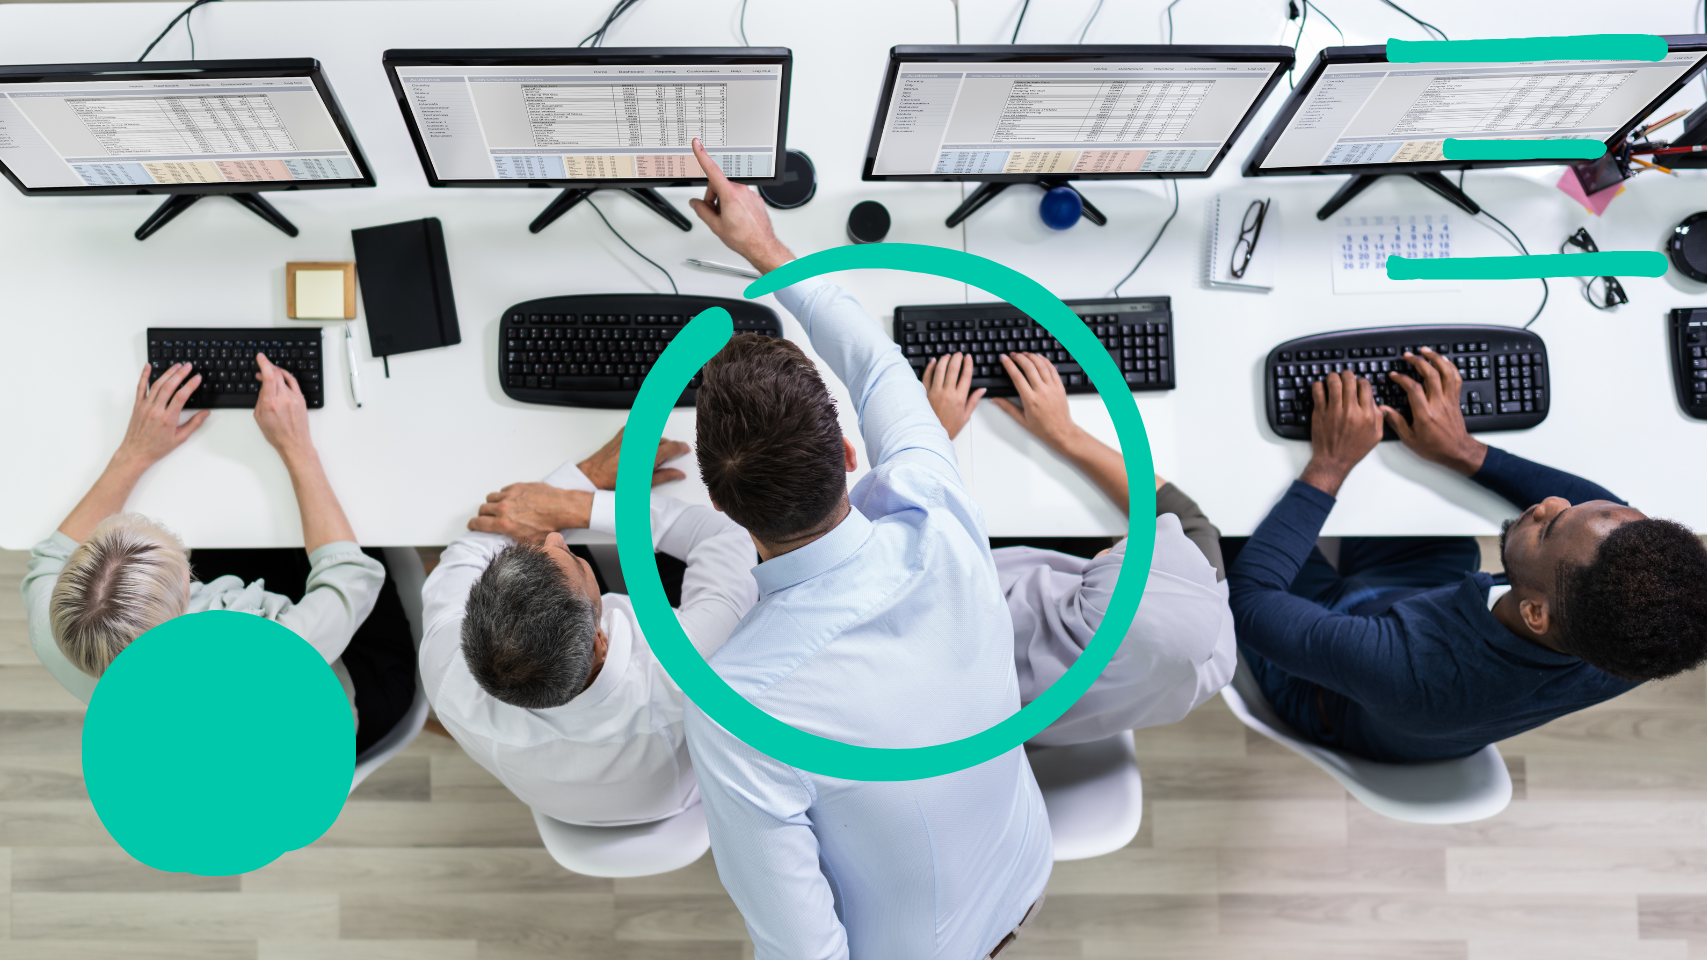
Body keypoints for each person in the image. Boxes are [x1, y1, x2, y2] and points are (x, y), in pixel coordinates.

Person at [679, 138, 1050, 960]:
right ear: (850, 453)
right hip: (1022, 864)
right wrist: (765, 249)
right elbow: (876, 366)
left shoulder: (742, 712)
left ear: (719, 503)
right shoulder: (936, 506)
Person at [1229, 351, 1707, 763]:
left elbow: (1250, 602)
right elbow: (1604, 515)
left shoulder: (1412, 669)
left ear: (1536, 612)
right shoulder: (1637, 639)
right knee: (1418, 508)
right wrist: (1463, 450)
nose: (1549, 503)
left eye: (1550, 527)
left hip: (1329, 686)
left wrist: (1329, 465)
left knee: (1229, 519)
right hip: (1422, 612)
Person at [23, 357, 418, 754]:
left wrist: (134, 454)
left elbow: (50, 557)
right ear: (187, 587)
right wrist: (296, 446)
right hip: (329, 701)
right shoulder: (266, 651)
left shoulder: (56, 638)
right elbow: (351, 576)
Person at [417, 428, 758, 826]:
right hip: (682, 801)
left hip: (557, 805)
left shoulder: (444, 670)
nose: (556, 536)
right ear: (598, 643)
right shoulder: (690, 671)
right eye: (576, 562)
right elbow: (724, 533)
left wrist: (585, 475)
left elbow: (472, 547)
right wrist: (577, 503)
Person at [923, 351, 1234, 744]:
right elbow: (1189, 521)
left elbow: (895, 533)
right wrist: (1064, 434)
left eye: (1118, 557)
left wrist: (929, 440)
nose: (1109, 550)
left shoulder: (950, 620)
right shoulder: (1214, 659)